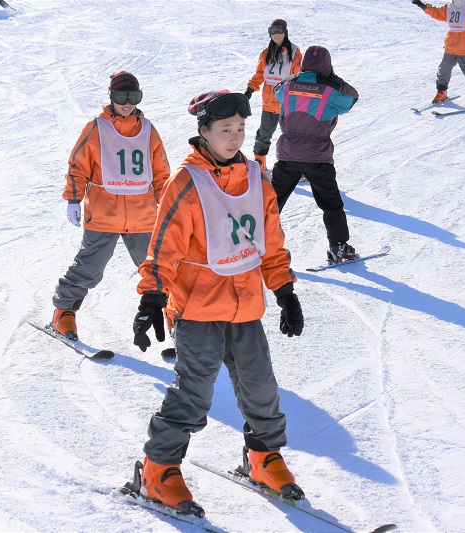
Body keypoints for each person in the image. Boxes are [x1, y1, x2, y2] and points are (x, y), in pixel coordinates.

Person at [130, 90, 306, 513]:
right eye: (225, 129)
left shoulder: (256, 177)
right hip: (198, 307)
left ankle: (263, 457)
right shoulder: (187, 181)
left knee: (260, 387)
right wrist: (152, 297)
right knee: (194, 391)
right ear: (204, 132)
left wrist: (284, 290)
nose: (235, 137)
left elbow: (270, 241)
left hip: (246, 306)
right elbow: (164, 246)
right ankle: (158, 469)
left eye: (241, 129)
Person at [50, 71, 170, 340]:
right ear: (111, 96)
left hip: (143, 215)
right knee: (89, 268)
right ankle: (64, 312)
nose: (127, 103)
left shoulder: (148, 130)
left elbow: (161, 173)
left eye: (133, 96)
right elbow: (78, 165)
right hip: (104, 213)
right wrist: (73, 199)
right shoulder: (97, 127)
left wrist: (168, 205)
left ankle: (178, 319)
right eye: (121, 96)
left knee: (159, 269)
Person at [270, 45, 360, 264]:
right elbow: (352, 98)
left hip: (288, 154)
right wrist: (333, 78)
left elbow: (276, 90)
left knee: (271, 201)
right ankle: (339, 247)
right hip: (317, 158)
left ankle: (253, 241)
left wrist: (297, 77)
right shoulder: (331, 91)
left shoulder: (288, 86)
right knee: (330, 204)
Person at [244, 18, 303, 171]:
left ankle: (298, 166)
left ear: (285, 32)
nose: (276, 34)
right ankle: (260, 163)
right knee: (264, 134)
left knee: (293, 135)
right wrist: (249, 90)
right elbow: (260, 74)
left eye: (279, 30)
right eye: (272, 31)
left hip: (288, 102)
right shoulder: (266, 53)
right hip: (269, 102)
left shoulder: (294, 52)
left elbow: (299, 76)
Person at [411, 0, 465, 107]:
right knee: (443, 69)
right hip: (451, 45)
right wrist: (423, 6)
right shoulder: (450, 6)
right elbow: (437, 13)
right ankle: (442, 92)